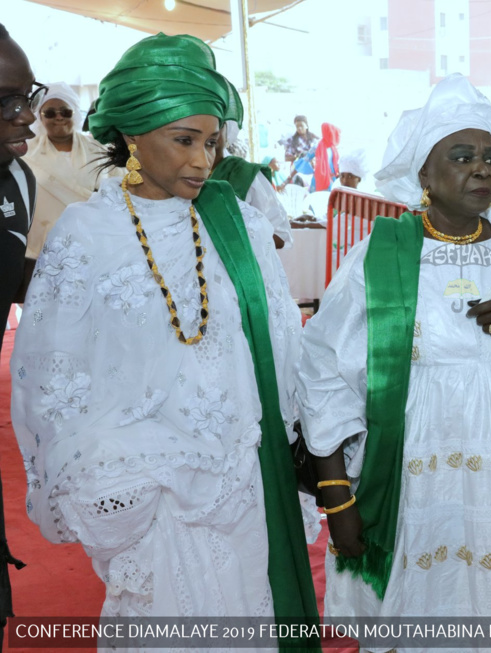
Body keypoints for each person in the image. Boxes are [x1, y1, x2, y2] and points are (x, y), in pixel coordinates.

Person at [11, 34, 319, 649]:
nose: (203, 161)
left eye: (212, 143)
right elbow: (52, 378)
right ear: (131, 136)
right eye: (184, 141)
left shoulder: (243, 225)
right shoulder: (87, 233)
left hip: (245, 482)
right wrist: (123, 473)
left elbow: (287, 352)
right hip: (151, 499)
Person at [296, 74, 491, 638]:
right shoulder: (383, 253)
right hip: (414, 470)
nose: (481, 168)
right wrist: (337, 497)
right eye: (462, 156)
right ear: (423, 174)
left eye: (489, 157)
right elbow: (322, 368)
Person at [0, 21, 36, 642]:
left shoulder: (18, 180)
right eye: (9, 100)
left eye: (28, 96)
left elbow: (16, 275)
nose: (27, 118)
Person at [23, 82, 115, 258]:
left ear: (75, 113)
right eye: (49, 113)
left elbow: (122, 191)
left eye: (65, 111)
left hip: (98, 243)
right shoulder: (25, 155)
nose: (59, 117)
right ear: (40, 118)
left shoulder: (100, 150)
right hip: (45, 248)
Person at [210, 120, 292, 248]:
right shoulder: (173, 176)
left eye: (216, 122)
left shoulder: (243, 174)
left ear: (226, 130)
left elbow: (280, 236)